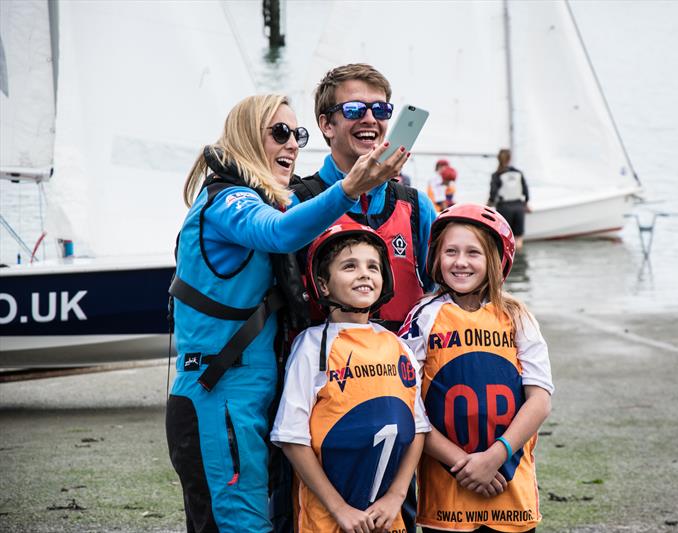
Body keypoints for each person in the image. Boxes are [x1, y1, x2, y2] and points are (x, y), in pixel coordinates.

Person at [165, 94, 407, 533]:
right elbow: (279, 233)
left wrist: (367, 178)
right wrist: (349, 186)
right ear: (245, 137)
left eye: (298, 135)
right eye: (280, 133)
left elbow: (317, 221)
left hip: (250, 399)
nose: (293, 145)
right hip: (217, 399)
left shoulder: (270, 202)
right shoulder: (226, 202)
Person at [400, 203, 554, 532]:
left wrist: (495, 456)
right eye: (451, 251)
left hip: (510, 485)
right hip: (447, 490)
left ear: (496, 260)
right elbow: (407, 404)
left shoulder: (517, 316)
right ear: (436, 258)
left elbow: (539, 401)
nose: (460, 262)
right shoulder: (424, 316)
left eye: (473, 253)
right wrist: (462, 463)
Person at [270, 221, 430, 533]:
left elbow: (418, 428)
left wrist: (396, 496)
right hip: (327, 520)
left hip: (388, 519)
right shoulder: (312, 346)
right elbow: (291, 438)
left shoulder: (398, 345)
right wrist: (339, 508)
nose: (364, 274)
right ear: (324, 285)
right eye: (349, 266)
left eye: (373, 266)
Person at [290, 63, 438, 334]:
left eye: (380, 110)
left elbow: (452, 289)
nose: (370, 119)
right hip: (324, 365)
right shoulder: (298, 202)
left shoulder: (416, 206)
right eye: (354, 109)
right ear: (326, 125)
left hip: (400, 367)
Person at [488, 148, 530, 250]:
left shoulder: (496, 175)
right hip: (519, 207)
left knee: (504, 237)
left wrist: (488, 205)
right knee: (518, 238)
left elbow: (493, 193)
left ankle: (507, 263)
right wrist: (526, 204)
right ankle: (518, 261)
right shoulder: (518, 173)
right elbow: (525, 191)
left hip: (504, 208)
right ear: (510, 159)